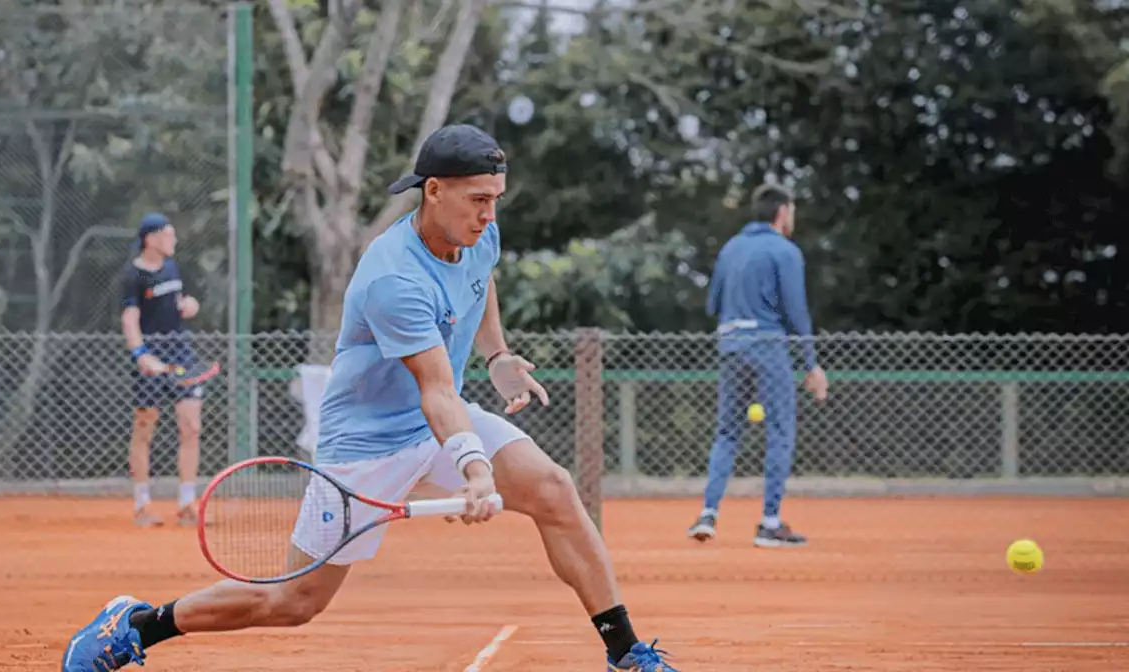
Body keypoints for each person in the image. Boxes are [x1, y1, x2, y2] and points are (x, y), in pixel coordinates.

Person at [62, 125, 681, 672]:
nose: (489, 215)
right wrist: (472, 467)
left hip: (439, 423)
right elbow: (436, 389)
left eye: (495, 200)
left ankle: (625, 652)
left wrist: (497, 356)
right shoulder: (394, 278)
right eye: (478, 200)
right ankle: (135, 626)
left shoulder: (477, 233)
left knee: (554, 489)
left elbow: (479, 280)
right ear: (433, 190)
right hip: (367, 446)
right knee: (292, 603)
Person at [685, 184, 829, 549]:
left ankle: (708, 513)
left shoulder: (731, 247)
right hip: (767, 344)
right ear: (782, 212)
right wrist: (811, 364)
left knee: (727, 432)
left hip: (730, 344)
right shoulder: (785, 250)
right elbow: (796, 311)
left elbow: (713, 304)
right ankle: (769, 522)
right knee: (780, 430)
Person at [119, 213, 207, 529]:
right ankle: (142, 505)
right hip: (150, 353)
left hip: (180, 350)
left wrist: (189, 305)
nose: (175, 239)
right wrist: (141, 355)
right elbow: (130, 319)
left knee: (191, 426)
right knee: (145, 426)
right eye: (169, 234)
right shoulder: (133, 275)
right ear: (151, 238)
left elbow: (178, 301)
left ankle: (187, 503)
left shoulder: (172, 267)